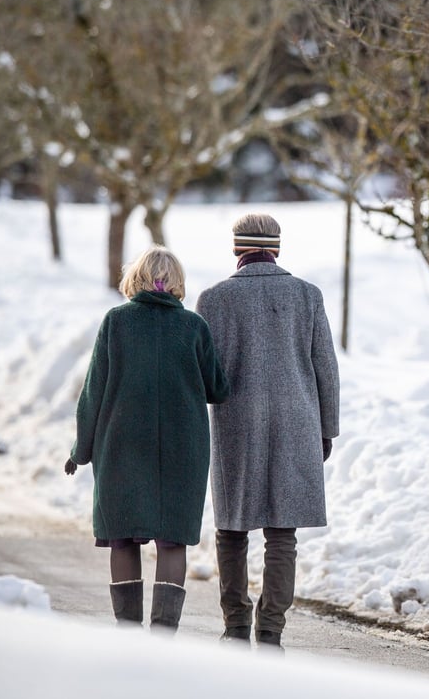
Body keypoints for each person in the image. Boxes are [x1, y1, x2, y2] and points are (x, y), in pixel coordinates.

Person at [66, 245, 230, 633]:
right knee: (172, 541)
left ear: (135, 278)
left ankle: (128, 633)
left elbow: (93, 392)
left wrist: (81, 450)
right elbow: (218, 389)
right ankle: (162, 634)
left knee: (123, 538)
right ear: (176, 282)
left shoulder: (116, 322)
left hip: (121, 448)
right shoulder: (194, 327)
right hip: (182, 451)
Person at [196, 212, 340, 651]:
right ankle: (271, 629)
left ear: (236, 248)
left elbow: (203, 372)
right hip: (297, 423)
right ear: (276, 247)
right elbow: (326, 368)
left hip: (235, 425)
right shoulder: (307, 295)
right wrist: (327, 429)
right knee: (282, 533)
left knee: (231, 530)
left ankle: (236, 626)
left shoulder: (213, 299)